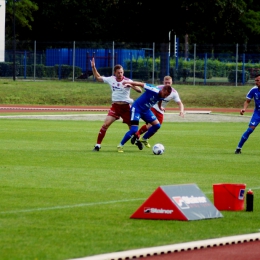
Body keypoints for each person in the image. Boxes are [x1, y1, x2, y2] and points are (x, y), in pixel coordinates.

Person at [91, 57, 142, 152]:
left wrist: (131, 86)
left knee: (132, 127)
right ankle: (98, 145)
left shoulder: (127, 80)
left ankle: (137, 140)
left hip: (126, 107)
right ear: (115, 73)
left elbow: (140, 90)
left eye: (121, 72)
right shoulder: (111, 79)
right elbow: (98, 78)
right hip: (115, 107)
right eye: (118, 73)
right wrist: (93, 67)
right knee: (105, 124)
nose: (120, 74)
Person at [117, 81, 172, 152]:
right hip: (136, 109)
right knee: (134, 130)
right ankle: (120, 145)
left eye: (167, 96)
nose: (165, 96)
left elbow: (160, 100)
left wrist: (160, 107)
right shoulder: (153, 89)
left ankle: (144, 138)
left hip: (146, 111)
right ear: (163, 90)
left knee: (157, 125)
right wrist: (127, 82)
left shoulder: (162, 96)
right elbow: (140, 84)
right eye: (165, 94)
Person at [130, 76, 184, 145]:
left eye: (169, 83)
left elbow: (180, 103)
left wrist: (181, 111)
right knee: (150, 125)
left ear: (171, 82)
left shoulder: (174, 92)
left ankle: (144, 138)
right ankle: (137, 136)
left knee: (157, 127)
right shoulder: (158, 88)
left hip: (161, 111)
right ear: (163, 82)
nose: (167, 84)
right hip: (153, 107)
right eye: (166, 82)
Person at [235, 73, 260, 154]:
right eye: (255, 80)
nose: (256, 82)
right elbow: (247, 101)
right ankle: (238, 148)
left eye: (258, 80)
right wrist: (244, 109)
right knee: (250, 129)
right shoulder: (253, 89)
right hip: (257, 113)